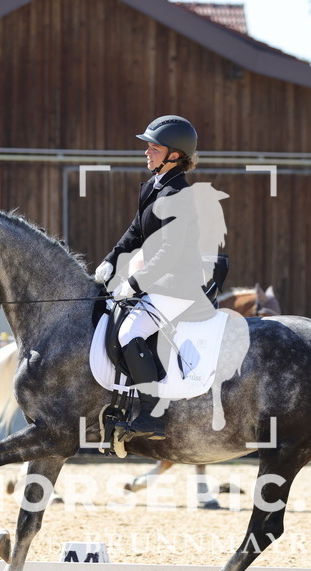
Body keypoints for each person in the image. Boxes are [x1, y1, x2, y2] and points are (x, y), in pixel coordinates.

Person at [93, 114, 217, 441]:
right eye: (148, 146)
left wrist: (134, 283)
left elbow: (171, 253)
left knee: (131, 331)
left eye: (154, 147)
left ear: (175, 155)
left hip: (178, 285)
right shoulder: (154, 186)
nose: (147, 151)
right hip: (159, 281)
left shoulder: (179, 195)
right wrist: (111, 260)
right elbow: (135, 232)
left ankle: (151, 415)